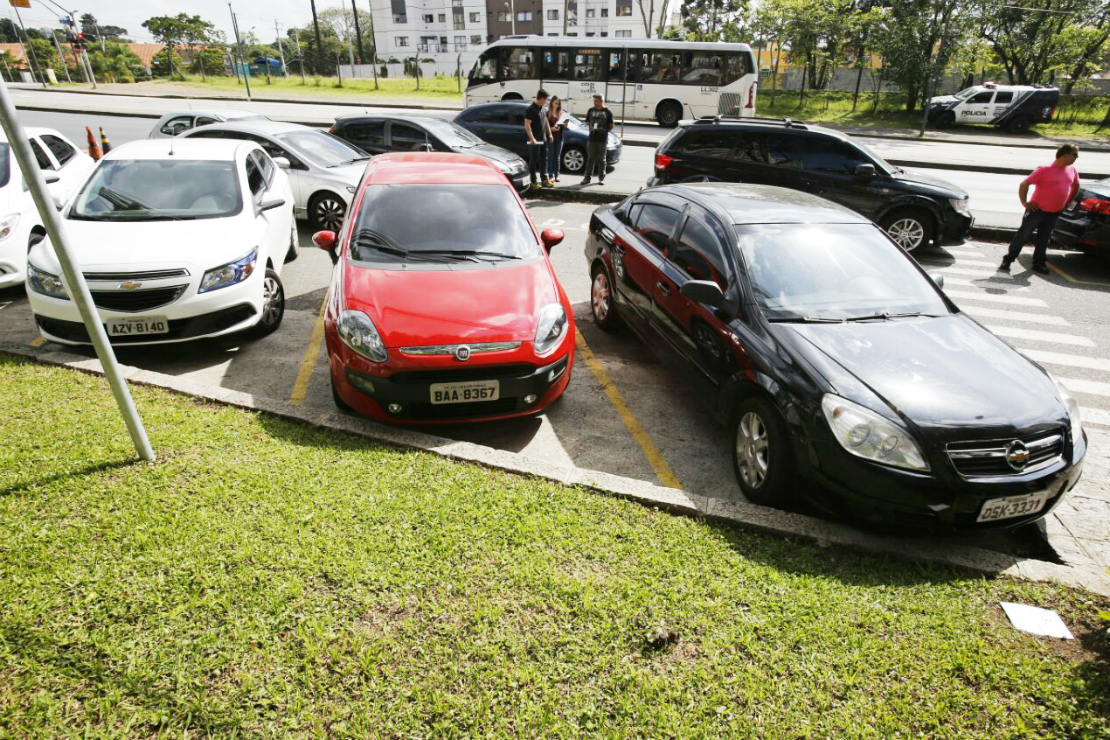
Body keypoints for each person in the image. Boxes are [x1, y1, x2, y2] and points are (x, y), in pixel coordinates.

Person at [999, 144, 1080, 275]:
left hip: (1054, 212)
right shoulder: (1044, 169)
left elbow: (1076, 185)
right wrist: (1025, 203)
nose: (1076, 157)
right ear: (1064, 155)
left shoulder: (1072, 169)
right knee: (1023, 235)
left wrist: (1068, 201)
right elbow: (1024, 184)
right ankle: (1008, 260)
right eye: (1075, 154)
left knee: (1044, 238)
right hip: (1037, 211)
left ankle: (1039, 263)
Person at [582, 93, 614, 186]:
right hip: (591, 138)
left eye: (596, 101)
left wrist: (603, 130)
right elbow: (587, 121)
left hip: (602, 140)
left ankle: (601, 178)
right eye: (594, 100)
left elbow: (611, 126)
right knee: (590, 159)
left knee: (601, 160)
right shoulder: (591, 110)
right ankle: (587, 178)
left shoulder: (608, 112)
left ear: (601, 101)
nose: (594, 102)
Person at [524, 89, 552, 190]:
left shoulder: (543, 108)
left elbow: (545, 121)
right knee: (534, 160)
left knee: (544, 159)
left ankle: (544, 179)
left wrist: (550, 133)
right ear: (541, 99)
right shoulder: (531, 109)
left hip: (543, 138)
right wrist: (532, 138)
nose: (546, 101)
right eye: (546, 99)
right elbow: (527, 125)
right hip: (534, 140)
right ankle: (533, 181)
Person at [546, 96, 567, 184]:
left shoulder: (561, 113)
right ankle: (550, 176)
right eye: (555, 103)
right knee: (550, 157)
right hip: (550, 137)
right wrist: (551, 129)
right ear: (551, 103)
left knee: (557, 157)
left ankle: (557, 175)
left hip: (559, 137)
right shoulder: (548, 113)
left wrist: (566, 122)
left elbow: (565, 126)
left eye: (558, 104)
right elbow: (545, 126)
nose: (556, 105)